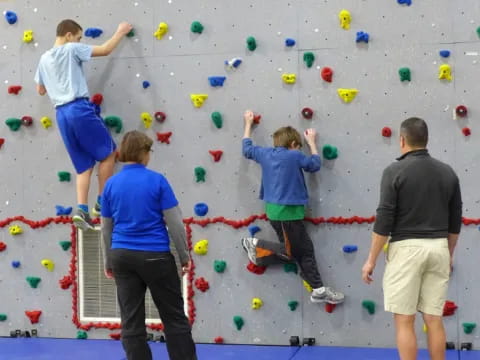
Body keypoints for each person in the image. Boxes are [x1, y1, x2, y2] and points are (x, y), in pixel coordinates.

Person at [362, 117, 462, 360]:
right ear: (426, 140)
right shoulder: (447, 172)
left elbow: (384, 221)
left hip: (406, 251)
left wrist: (371, 260)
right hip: (438, 248)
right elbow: (454, 222)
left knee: (405, 320)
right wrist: (448, 254)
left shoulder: (394, 171)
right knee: (434, 318)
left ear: (402, 140)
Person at [101, 131, 197, 360]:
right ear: (144, 153)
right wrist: (184, 256)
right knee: (173, 318)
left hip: (122, 256)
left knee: (131, 321)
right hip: (155, 256)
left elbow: (106, 227)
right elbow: (174, 222)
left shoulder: (111, 184)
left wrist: (108, 261)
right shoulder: (157, 180)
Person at [34, 19, 133, 230]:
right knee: (109, 154)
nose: (79, 40)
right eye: (79, 37)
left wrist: (56, 82)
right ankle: (101, 202)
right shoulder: (71, 49)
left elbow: (41, 90)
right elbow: (105, 50)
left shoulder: (43, 59)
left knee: (83, 166)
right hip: (78, 108)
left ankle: (82, 210)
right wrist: (120, 32)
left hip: (61, 114)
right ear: (69, 35)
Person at [241, 110, 345, 305]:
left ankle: (317, 289)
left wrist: (248, 123)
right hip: (289, 214)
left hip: (274, 212)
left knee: (297, 252)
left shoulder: (265, 153)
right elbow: (314, 164)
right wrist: (312, 143)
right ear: (294, 144)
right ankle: (256, 246)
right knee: (300, 252)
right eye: (298, 146)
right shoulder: (294, 155)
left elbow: (247, 149)